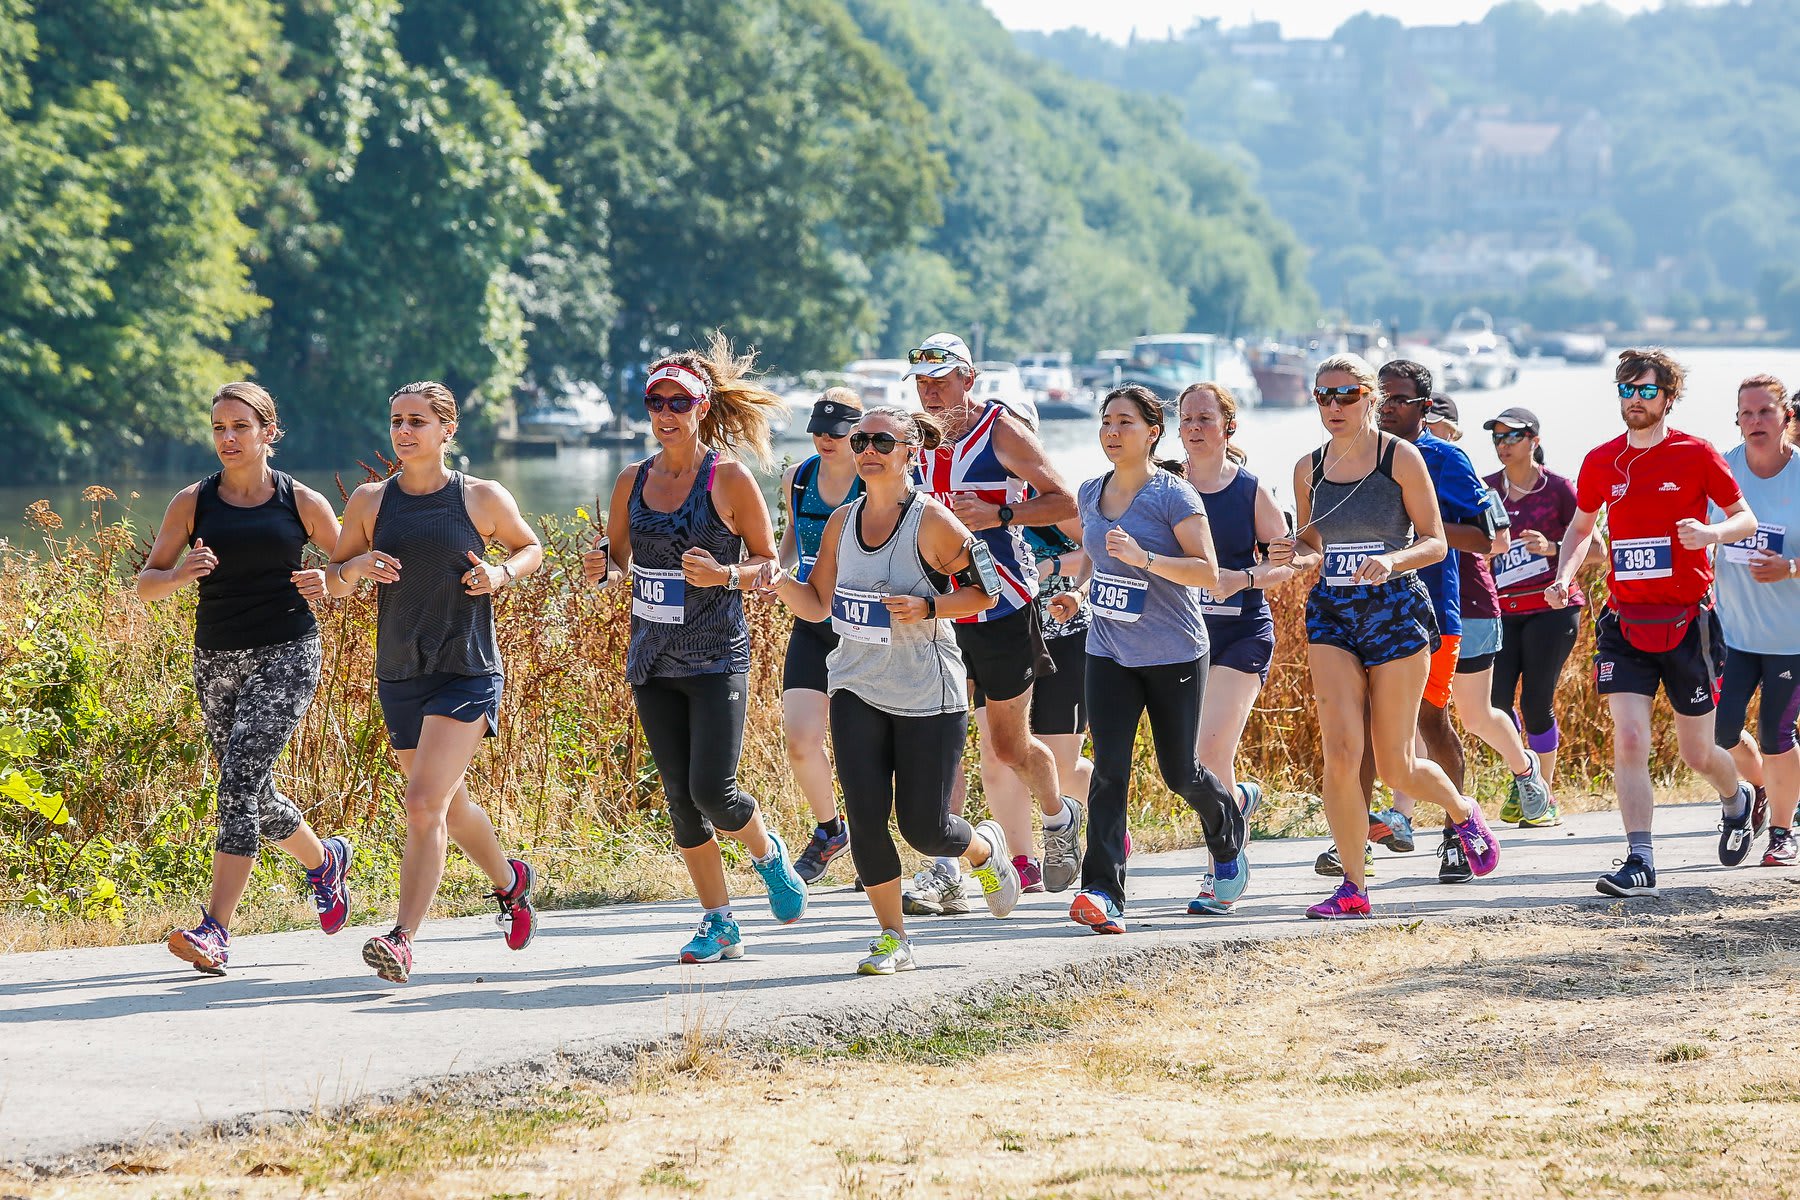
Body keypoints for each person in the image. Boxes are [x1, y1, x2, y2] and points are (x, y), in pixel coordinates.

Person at [761, 406, 1022, 973]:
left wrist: (929, 606)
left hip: (928, 690)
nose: (869, 449)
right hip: (855, 684)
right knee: (867, 814)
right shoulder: (840, 522)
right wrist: (778, 582)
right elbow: (818, 605)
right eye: (861, 441)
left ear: (909, 452)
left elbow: (989, 592)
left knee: (924, 827)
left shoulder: (932, 522)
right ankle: (892, 937)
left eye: (883, 440)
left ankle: (983, 849)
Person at [585, 335, 807, 963]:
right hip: (651, 658)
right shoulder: (633, 479)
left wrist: (723, 575)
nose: (665, 414)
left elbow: (768, 564)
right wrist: (599, 566)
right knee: (681, 801)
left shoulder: (730, 480)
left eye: (678, 402)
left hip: (716, 655)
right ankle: (719, 921)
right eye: (656, 402)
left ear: (702, 408)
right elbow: (620, 560)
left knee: (715, 789)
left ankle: (767, 855)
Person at [1268, 354, 1500, 920]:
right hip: (1332, 613)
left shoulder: (1402, 457)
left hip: (1395, 609)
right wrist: (1290, 554)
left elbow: (1436, 542)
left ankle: (1461, 809)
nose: (1334, 407)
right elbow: (1311, 543)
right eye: (1323, 396)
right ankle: (1353, 885)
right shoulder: (1309, 468)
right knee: (1341, 754)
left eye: (1346, 395)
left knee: (1394, 765)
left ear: (1370, 396)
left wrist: (1393, 561)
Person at [327, 381, 544, 984]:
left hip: (466, 667)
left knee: (423, 805)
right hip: (400, 670)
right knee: (449, 803)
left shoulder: (479, 497)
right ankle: (511, 881)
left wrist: (501, 573)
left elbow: (532, 548)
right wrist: (357, 567)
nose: (404, 432)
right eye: (396, 420)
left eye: (417, 421)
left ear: (447, 430)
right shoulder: (371, 503)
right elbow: (336, 579)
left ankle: (402, 939)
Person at [139, 383, 352, 975]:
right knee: (251, 792)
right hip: (217, 659)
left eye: (239, 427)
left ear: (268, 432)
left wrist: (327, 583)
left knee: (237, 781)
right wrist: (183, 573)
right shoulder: (192, 503)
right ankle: (324, 860)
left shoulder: (302, 502)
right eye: (218, 428)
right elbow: (147, 583)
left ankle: (216, 929)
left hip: (288, 651)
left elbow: (349, 569)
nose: (227, 439)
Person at [1545, 348, 1758, 898]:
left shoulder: (1696, 453)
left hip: (1688, 623)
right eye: (1626, 391)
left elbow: (1744, 519)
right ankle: (1640, 858)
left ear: (1668, 397)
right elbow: (1580, 528)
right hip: (1624, 622)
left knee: (1697, 753)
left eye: (1645, 391)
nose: (1634, 401)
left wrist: (1710, 535)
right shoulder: (1600, 461)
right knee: (1631, 738)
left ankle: (1737, 801)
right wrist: (1565, 573)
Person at [900, 332, 1082, 913]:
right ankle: (947, 869)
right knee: (940, 737)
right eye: (922, 383)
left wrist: (1002, 512)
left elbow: (1068, 503)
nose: (931, 393)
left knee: (1007, 746)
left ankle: (1058, 818)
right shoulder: (912, 437)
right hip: (936, 608)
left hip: (1001, 605)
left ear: (968, 379)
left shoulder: (999, 430)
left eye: (941, 380)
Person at [1353, 369, 1546, 888]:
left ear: (1424, 405)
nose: (1387, 408)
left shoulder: (1445, 457)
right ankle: (1353, 846)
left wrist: (1418, 530)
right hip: (1367, 611)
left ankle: (1456, 834)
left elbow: (1491, 538)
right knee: (1367, 727)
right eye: (1381, 398)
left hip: (1434, 610)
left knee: (1433, 723)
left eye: (1399, 400)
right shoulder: (1357, 455)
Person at [1067, 386, 1249, 935]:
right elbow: (1092, 558)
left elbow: (1207, 572)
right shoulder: (1089, 492)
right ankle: (1102, 891)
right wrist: (1075, 591)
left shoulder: (1174, 496)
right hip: (1109, 649)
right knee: (1108, 773)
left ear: (1152, 432)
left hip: (1173, 652)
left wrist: (1145, 558)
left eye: (1124, 421)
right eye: (1105, 422)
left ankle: (1227, 824)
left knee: (1180, 772)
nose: (1112, 431)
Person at [1178, 382, 1294, 914]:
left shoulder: (1249, 491)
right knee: (1183, 761)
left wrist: (1241, 578)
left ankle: (1221, 868)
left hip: (1241, 632)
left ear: (1229, 426)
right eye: (1186, 419)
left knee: (1210, 751)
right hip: (1179, 635)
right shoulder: (1163, 486)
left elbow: (1284, 563)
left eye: (1205, 417)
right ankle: (1237, 802)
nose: (1195, 427)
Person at [774, 388, 863, 884]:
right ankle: (831, 832)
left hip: (862, 628)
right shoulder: (798, 478)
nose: (825, 440)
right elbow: (790, 541)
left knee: (861, 746)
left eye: (837, 432)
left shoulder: (877, 481)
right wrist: (773, 572)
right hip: (811, 621)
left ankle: (873, 840)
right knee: (801, 740)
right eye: (817, 431)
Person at [1484, 407, 1588, 825]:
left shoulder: (1560, 489)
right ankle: (1523, 779)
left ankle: (1544, 794)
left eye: (1513, 436)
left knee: (1536, 701)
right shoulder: (1486, 489)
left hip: (1552, 609)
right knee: (1494, 703)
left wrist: (1551, 548)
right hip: (1500, 612)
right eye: (1498, 437)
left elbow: (1595, 550)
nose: (1503, 444)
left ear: (1534, 441)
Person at [1709, 375, 1798, 864]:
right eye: (1746, 413)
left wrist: (1790, 567)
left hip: (1791, 638)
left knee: (1777, 734)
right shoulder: (1722, 470)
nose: (1755, 422)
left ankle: (1782, 832)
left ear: (1786, 416)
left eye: (1765, 412)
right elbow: (1700, 536)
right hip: (1733, 633)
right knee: (1718, 733)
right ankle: (1762, 785)